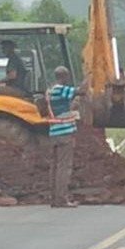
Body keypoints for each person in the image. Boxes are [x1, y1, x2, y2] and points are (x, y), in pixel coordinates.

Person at [46, 66, 84, 208]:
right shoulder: (61, 89)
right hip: (64, 133)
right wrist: (90, 76)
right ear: (64, 77)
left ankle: (54, 198)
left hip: (53, 132)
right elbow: (81, 91)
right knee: (64, 167)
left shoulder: (50, 91)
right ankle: (61, 199)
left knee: (54, 166)